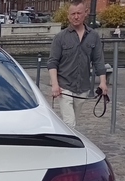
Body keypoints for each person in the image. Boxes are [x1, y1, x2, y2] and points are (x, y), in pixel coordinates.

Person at [47, 0, 108, 128]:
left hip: (82, 87)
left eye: (79, 13)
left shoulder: (93, 36)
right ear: (68, 16)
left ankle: (66, 141)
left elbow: (98, 61)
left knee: (73, 121)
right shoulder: (60, 37)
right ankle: (69, 146)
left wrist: (102, 82)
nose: (76, 16)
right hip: (64, 86)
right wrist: (55, 84)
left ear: (85, 13)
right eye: (73, 14)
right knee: (70, 122)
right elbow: (53, 62)